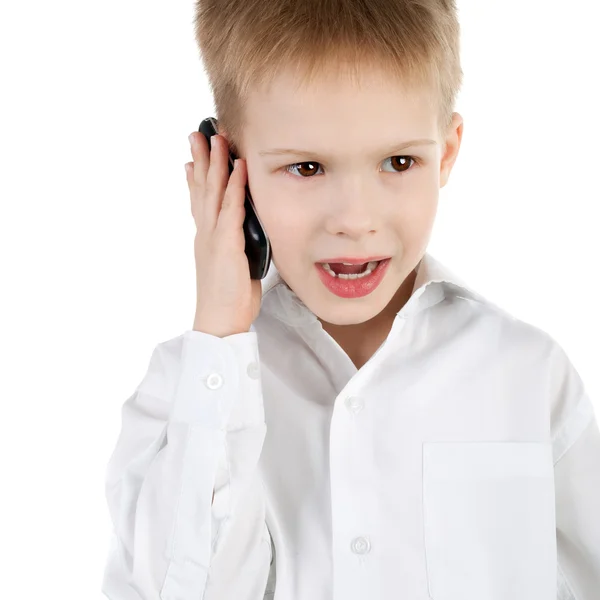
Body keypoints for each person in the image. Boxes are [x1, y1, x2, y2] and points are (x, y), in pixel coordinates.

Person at [101, 0, 600, 598]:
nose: (356, 220)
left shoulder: (527, 374)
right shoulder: (189, 392)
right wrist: (221, 335)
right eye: (307, 167)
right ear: (230, 168)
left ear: (445, 153)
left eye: (398, 161)